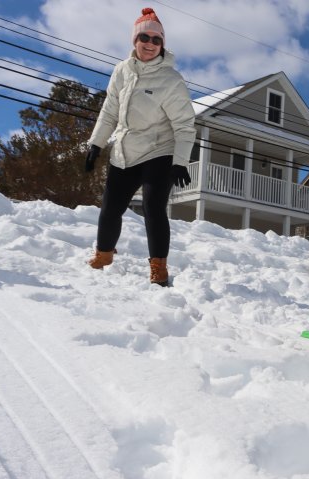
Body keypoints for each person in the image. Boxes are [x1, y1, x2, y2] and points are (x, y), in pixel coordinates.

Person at [85, 7, 196, 286]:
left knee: (153, 205)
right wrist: (96, 144)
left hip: (160, 149)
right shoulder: (121, 71)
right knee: (110, 207)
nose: (149, 44)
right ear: (135, 40)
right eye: (144, 37)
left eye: (156, 40)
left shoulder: (171, 80)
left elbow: (184, 125)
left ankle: (158, 266)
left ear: (162, 45)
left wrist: (180, 160)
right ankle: (104, 254)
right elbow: (110, 109)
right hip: (125, 148)